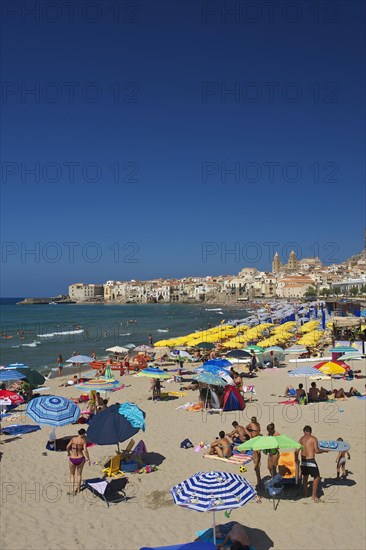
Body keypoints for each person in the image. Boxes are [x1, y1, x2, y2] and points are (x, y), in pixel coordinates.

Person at [295, 425, 328, 502]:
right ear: (310, 431)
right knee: (317, 478)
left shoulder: (301, 439)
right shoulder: (313, 438)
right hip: (311, 461)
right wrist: (324, 450)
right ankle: (314, 496)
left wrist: (296, 460)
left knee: (305, 478)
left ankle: (305, 494)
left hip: (303, 462)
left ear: (304, 431)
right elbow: (316, 450)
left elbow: (296, 451)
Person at [66, 428, 91, 495]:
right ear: (83, 434)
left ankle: (72, 490)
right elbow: (85, 450)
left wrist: (68, 453)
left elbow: (67, 447)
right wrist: (88, 459)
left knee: (72, 475)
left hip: (72, 458)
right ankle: (79, 489)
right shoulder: (83, 441)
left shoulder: (73, 439)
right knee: (79, 475)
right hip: (80, 458)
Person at [246, 417, 261, 488]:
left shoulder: (252, 424)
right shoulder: (256, 424)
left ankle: (259, 481)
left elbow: (246, 428)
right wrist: (250, 434)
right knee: (256, 454)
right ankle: (259, 480)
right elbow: (246, 428)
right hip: (256, 439)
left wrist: (250, 434)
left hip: (255, 440)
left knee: (256, 456)